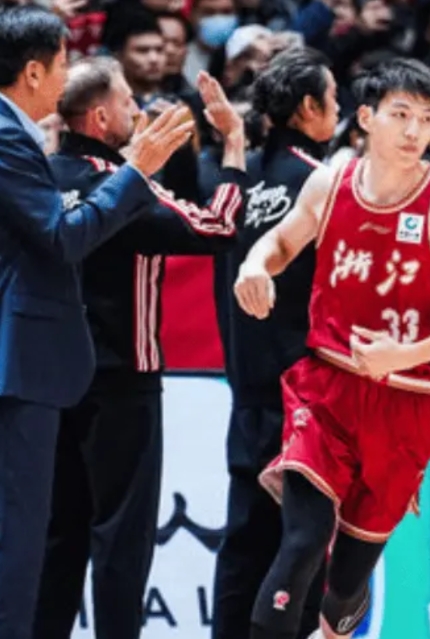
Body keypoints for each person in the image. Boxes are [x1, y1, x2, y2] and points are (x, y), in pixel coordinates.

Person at [233, 58, 430, 639]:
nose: (413, 130)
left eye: (425, 118)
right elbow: (282, 241)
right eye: (400, 115)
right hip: (325, 388)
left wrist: (403, 355)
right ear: (365, 119)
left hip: (405, 400)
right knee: (302, 540)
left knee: (347, 583)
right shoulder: (330, 183)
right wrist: (255, 264)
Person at [32, 57, 246, 639]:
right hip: (124, 381)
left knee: (57, 537)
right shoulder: (125, 187)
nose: (139, 110)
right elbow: (219, 227)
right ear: (100, 118)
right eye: (128, 101)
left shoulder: (38, 179)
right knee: (121, 541)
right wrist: (233, 148)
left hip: (49, 382)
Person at [0, 6, 193, 639]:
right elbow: (64, 239)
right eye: (62, 63)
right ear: (33, 71)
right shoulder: (7, 136)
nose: (67, 77)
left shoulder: (26, 138)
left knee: (38, 542)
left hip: (43, 366)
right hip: (24, 367)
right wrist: (137, 170)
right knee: (20, 547)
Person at [211, 47, 339, 639]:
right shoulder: (321, 181)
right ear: (309, 107)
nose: (338, 109)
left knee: (244, 540)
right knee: (304, 543)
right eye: (333, 99)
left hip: (245, 383)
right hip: (304, 391)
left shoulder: (234, 178)